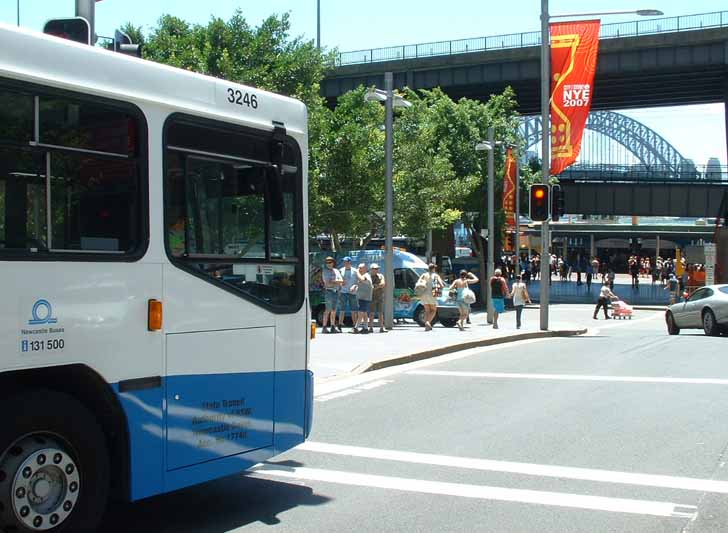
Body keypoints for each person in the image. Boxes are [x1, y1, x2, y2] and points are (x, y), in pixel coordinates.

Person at [417, 263, 443, 331]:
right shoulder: (436, 276)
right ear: (434, 268)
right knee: (433, 310)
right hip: (432, 294)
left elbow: (419, 282)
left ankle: (427, 324)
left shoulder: (424, 275)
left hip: (423, 294)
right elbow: (441, 285)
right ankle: (428, 322)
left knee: (427, 311)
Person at [321, 257, 342, 333]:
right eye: (327, 262)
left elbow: (342, 281)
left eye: (330, 262)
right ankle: (324, 327)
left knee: (334, 310)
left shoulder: (336, 270)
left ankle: (332, 327)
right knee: (327, 310)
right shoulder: (325, 271)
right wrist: (337, 282)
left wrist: (334, 281)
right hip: (329, 292)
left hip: (336, 292)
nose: (328, 264)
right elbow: (327, 283)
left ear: (333, 263)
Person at [337, 257, 358, 333]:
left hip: (352, 293)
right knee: (342, 309)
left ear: (349, 262)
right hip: (343, 292)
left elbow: (358, 281)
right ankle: (339, 326)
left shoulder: (355, 271)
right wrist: (340, 283)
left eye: (346, 262)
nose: (344, 263)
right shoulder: (341, 270)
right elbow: (338, 280)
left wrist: (355, 286)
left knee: (353, 310)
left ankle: (355, 326)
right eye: (344, 262)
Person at [353, 263, 373, 333]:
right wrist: (355, 287)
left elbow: (362, 280)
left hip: (365, 298)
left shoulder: (366, 275)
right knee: (364, 314)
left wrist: (357, 272)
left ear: (365, 269)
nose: (359, 269)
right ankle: (365, 328)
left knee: (361, 313)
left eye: (360, 268)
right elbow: (362, 284)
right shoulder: (363, 276)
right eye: (358, 268)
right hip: (362, 297)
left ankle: (356, 328)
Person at [368, 263, 388, 333]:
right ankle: (370, 327)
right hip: (371, 297)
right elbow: (368, 286)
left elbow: (383, 284)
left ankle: (382, 327)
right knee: (371, 313)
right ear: (371, 269)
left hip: (379, 296)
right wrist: (377, 286)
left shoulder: (380, 276)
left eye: (377, 269)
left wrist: (375, 286)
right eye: (375, 269)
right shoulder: (368, 276)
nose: (377, 270)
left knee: (380, 313)